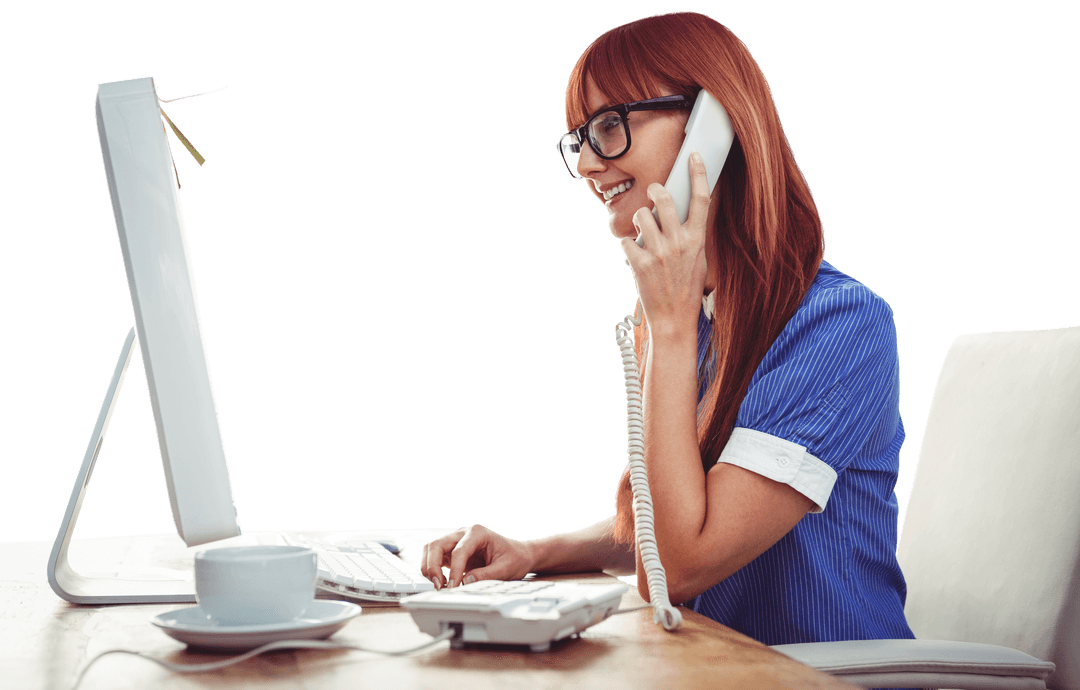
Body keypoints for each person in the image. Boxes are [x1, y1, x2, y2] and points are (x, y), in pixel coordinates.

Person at [421, 11, 916, 648]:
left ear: (713, 125)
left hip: (816, 676)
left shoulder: (838, 327)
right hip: (710, 666)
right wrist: (533, 553)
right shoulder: (698, 313)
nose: (587, 167)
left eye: (609, 127)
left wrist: (670, 329)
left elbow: (676, 567)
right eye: (579, 140)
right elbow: (673, 518)